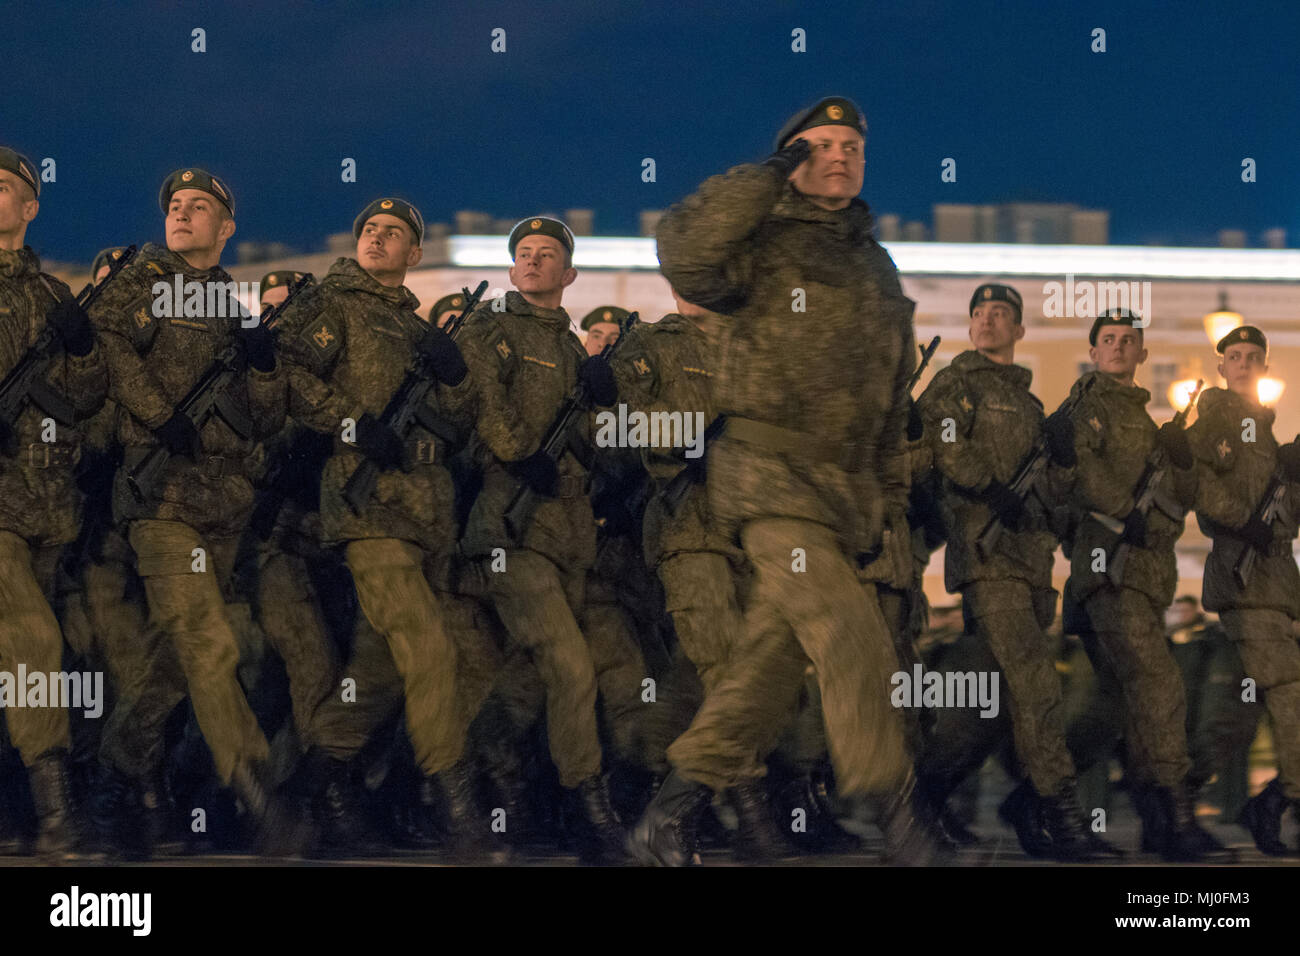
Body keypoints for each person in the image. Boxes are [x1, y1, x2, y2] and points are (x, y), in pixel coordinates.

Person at [632, 96, 939, 866]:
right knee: (846, 632)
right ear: (791, 158)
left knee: (766, 671)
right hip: (770, 479)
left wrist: (888, 505)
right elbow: (684, 246)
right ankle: (901, 820)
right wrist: (769, 174)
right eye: (818, 145)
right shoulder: (758, 239)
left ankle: (667, 817)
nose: (838, 156)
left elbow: (890, 397)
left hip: (845, 494)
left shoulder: (873, 262)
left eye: (850, 146)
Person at [274, 198, 502, 858]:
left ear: (414, 255)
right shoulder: (334, 303)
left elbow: (453, 425)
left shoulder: (415, 328)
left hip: (427, 520)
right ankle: (456, 810)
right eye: (370, 230)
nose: (377, 239)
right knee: (430, 652)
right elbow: (288, 372)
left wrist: (455, 373)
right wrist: (351, 423)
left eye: (392, 233)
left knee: (378, 677)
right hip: (367, 514)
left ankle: (306, 790)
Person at [87, 167, 298, 856]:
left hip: (223, 506)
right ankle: (256, 790)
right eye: (174, 205)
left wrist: (264, 364)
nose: (181, 214)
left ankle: (119, 772)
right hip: (162, 501)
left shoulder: (230, 303)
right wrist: (158, 414)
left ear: (226, 228)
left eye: (198, 207)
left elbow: (262, 418)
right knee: (211, 641)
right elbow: (102, 348)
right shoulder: (139, 281)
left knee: (176, 662)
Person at [448, 216, 629, 862]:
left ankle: (489, 770)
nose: (531, 262)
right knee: (571, 667)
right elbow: (480, 398)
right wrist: (521, 452)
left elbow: (600, 449)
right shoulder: (490, 327)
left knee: (528, 677)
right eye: (523, 253)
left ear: (569, 273)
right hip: (509, 529)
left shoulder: (579, 351)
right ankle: (589, 807)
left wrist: (607, 402)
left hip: (568, 537)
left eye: (546, 254)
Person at [915, 283, 1117, 861]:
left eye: (1000, 314)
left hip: (1031, 568)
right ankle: (1061, 816)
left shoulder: (1031, 408)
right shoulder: (956, 382)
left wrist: (1063, 457)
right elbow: (943, 438)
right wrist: (988, 485)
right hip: (986, 561)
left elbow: (1053, 497)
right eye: (979, 313)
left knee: (989, 704)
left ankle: (927, 794)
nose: (987, 321)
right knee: (1035, 683)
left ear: (1019, 329)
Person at [1058, 308, 1226, 859]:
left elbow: (1174, 510)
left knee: (1120, 704)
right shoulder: (1083, 410)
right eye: (1108, 340)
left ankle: (1046, 793)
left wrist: (1179, 465)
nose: (1119, 348)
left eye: (1129, 340)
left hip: (1145, 578)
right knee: (1158, 685)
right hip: (1108, 574)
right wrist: (1121, 509)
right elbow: (1077, 476)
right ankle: (1174, 817)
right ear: (1094, 351)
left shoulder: (1150, 426)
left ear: (1142, 355)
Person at [0, 145, 106, 859]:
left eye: (3, 188)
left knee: (46, 654)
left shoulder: (53, 299)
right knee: (34, 647)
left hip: (49, 509)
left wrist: (86, 346)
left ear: (30, 207)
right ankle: (56, 816)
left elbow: (88, 400)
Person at [1187, 324, 1300, 856]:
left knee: (1236, 711)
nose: (1246, 362)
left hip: (1279, 586)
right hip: (1245, 581)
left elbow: (1285, 514)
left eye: (1255, 355)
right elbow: (1203, 486)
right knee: (1289, 696)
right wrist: (1241, 521)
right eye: (1236, 355)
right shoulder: (1216, 420)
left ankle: (1172, 796)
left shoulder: (1263, 429)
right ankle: (1285, 801)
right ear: (1223, 367)